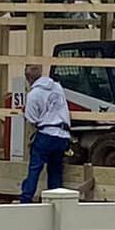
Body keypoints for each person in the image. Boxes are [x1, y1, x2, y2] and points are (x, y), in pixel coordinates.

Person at [18, 60, 72, 203]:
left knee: (35, 168)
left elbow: (32, 119)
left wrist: (25, 111)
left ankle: (26, 199)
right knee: (55, 170)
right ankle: (56, 201)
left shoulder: (33, 94)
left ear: (28, 78)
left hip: (46, 134)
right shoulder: (57, 87)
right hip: (63, 135)